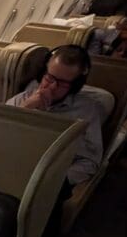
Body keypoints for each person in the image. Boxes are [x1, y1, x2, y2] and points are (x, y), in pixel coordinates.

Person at [6, 45, 104, 186]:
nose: (52, 87)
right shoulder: (19, 101)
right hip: (13, 171)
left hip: (51, 181)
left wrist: (53, 183)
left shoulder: (86, 111)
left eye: (62, 84)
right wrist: (26, 108)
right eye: (50, 78)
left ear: (75, 86)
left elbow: (89, 162)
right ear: (42, 74)